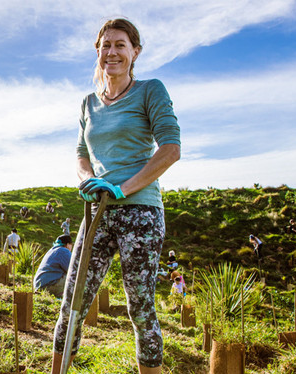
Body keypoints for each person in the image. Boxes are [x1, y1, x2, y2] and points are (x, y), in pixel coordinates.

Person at [52, 18, 180, 374]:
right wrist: (88, 179)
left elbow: (170, 149)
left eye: (120, 45)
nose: (112, 52)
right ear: (98, 51)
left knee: (140, 306)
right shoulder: (88, 103)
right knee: (73, 300)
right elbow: (80, 152)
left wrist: (123, 188)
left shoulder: (150, 90)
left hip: (140, 211)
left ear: (135, 52)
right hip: (97, 211)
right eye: (106, 45)